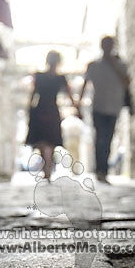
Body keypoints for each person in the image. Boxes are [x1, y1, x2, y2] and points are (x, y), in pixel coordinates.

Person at [78, 36, 129, 184]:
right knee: (99, 138)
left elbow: (126, 82)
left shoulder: (120, 64)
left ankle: (103, 170)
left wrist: (114, 65)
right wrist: (79, 104)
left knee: (108, 138)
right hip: (98, 107)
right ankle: (100, 170)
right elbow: (85, 83)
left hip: (114, 107)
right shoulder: (94, 65)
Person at [25, 51, 81, 180]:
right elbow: (70, 95)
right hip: (52, 110)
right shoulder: (60, 78)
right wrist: (77, 108)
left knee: (43, 141)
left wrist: (30, 109)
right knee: (50, 141)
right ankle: (48, 168)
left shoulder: (39, 76)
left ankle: (47, 168)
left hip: (40, 109)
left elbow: (33, 94)